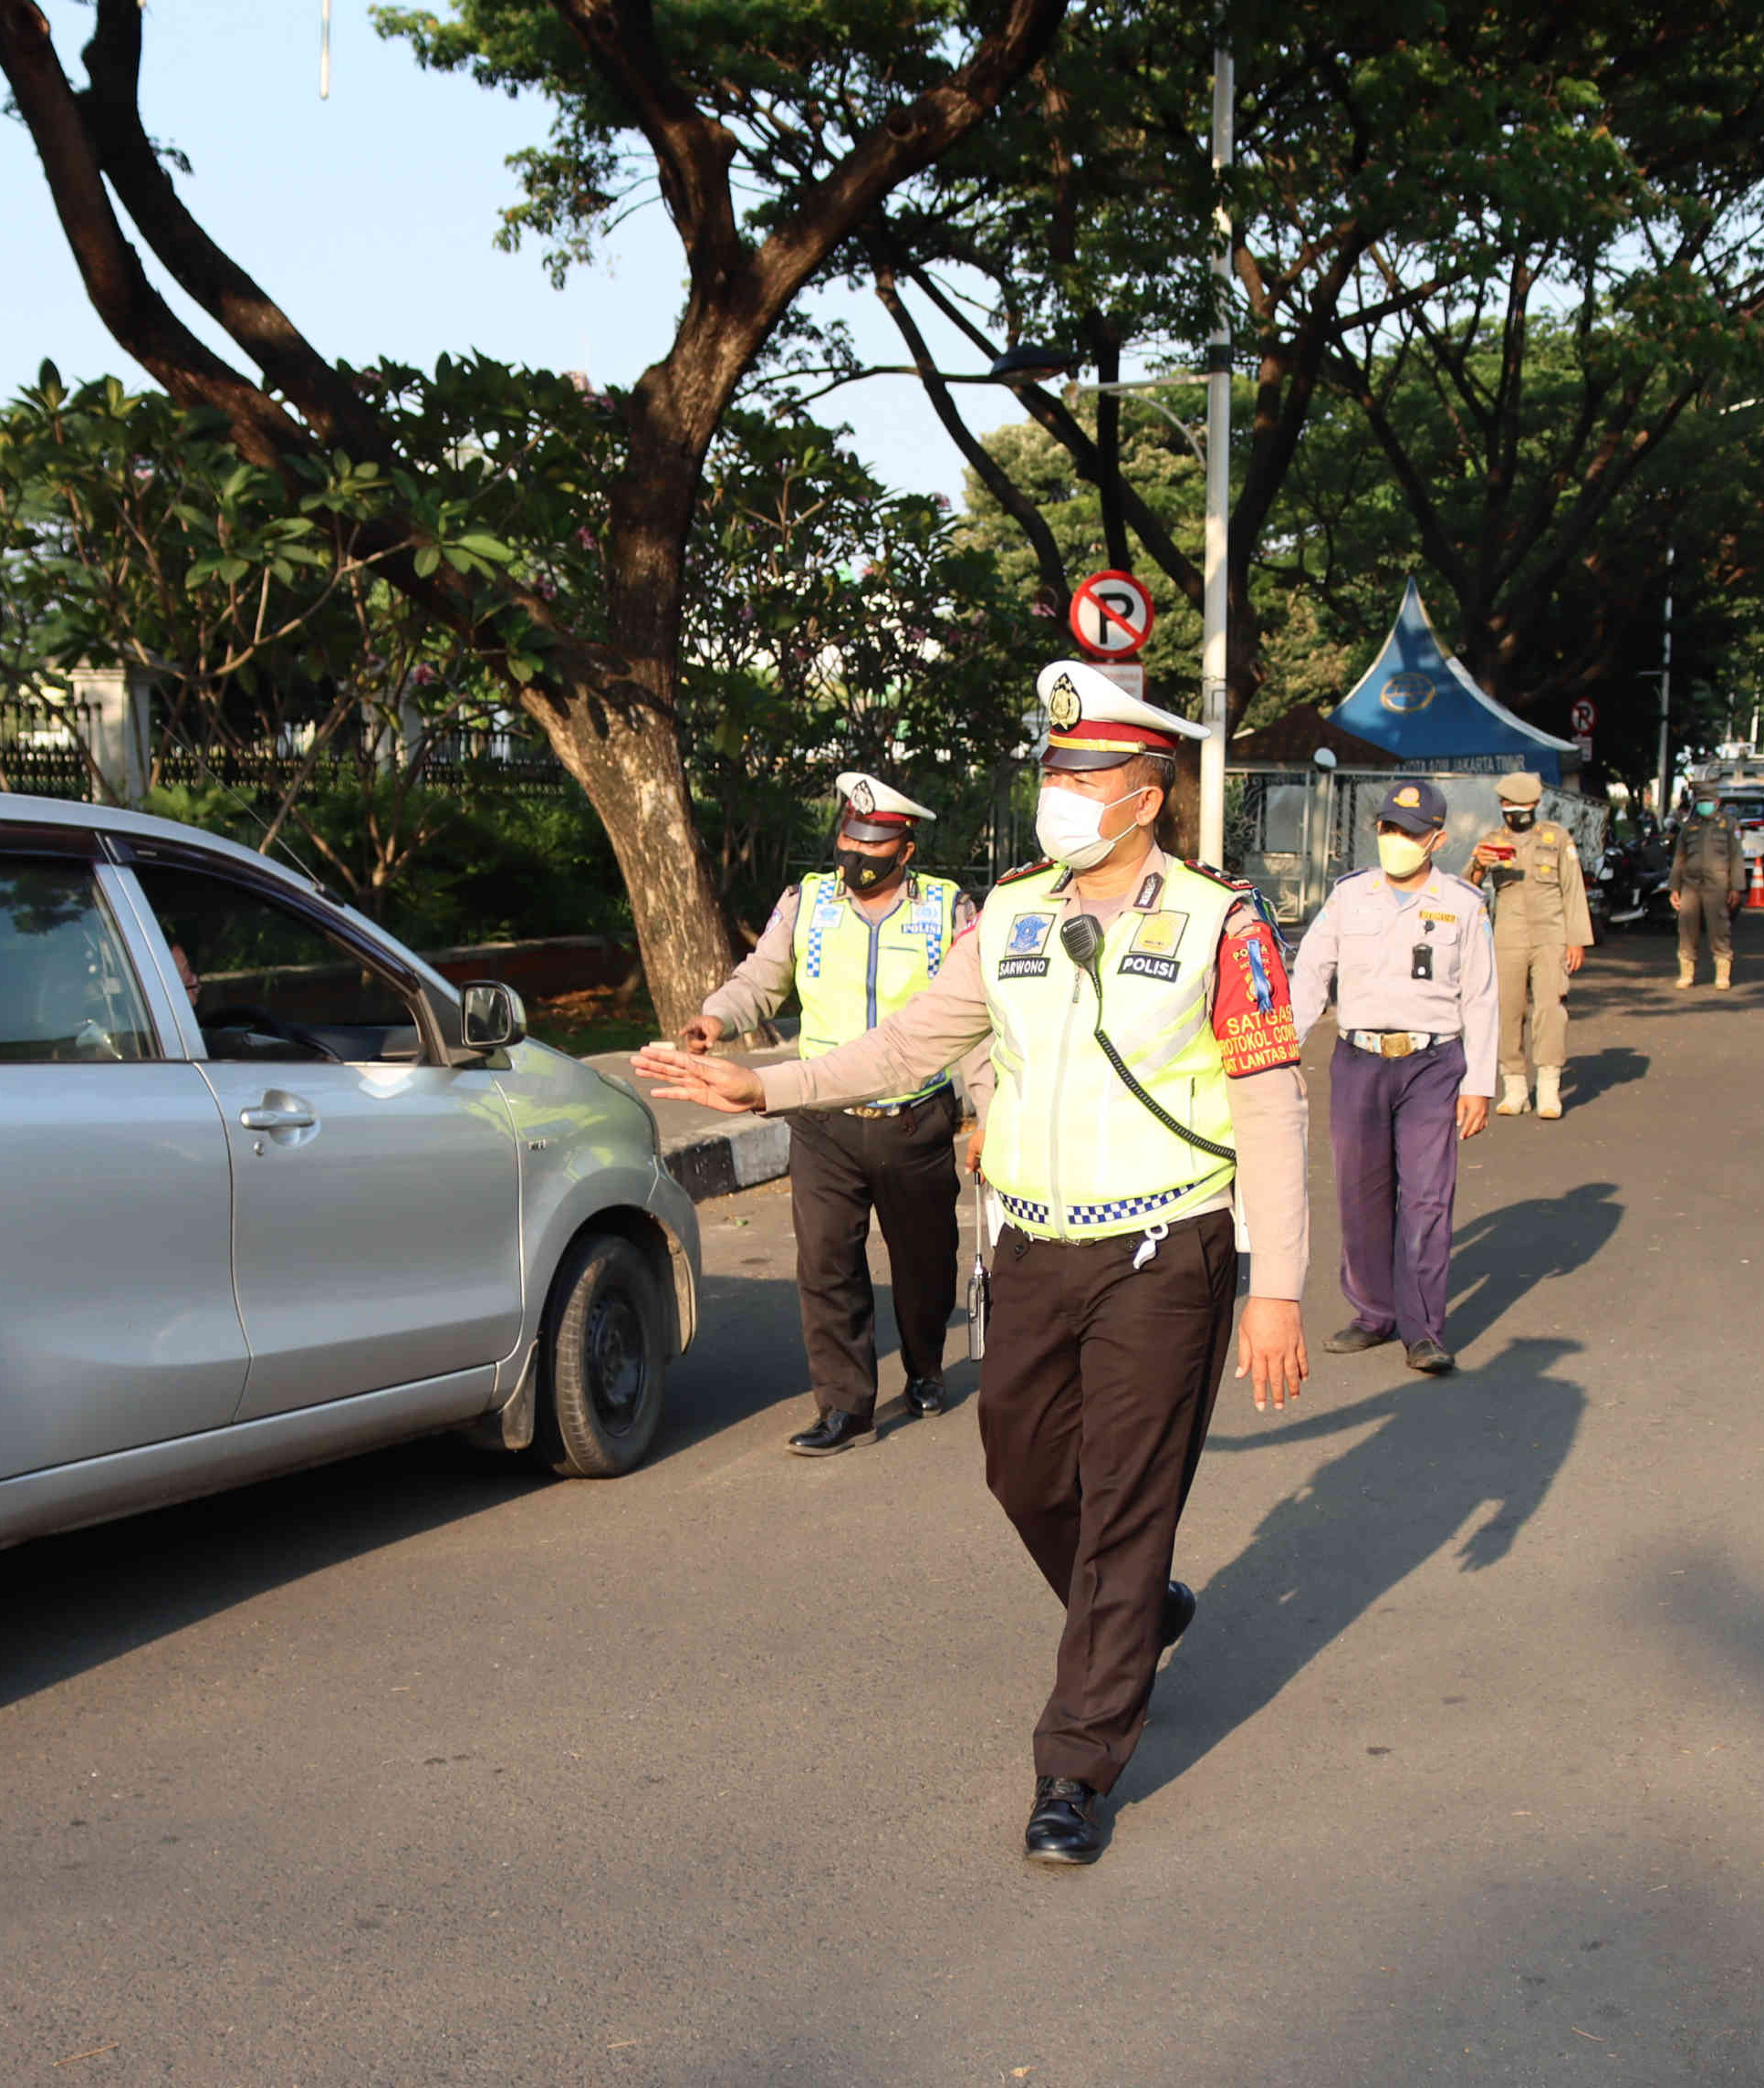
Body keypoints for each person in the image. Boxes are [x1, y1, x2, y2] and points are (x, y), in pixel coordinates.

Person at [634, 661, 1310, 1869]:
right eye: (1052, 770)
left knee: (1124, 1496)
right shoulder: (1008, 915)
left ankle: (1077, 1762)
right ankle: (1136, 1612)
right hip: (1036, 1246)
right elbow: (905, 1045)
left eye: (1085, 772)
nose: (1061, 791)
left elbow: (1269, 1104)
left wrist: (1279, 1288)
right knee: (1021, 1470)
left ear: (1147, 793)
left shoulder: (1222, 920)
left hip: (1167, 1250)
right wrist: (765, 1079)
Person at [680, 772, 980, 1455]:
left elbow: (977, 1023)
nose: (855, 855)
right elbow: (762, 978)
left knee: (925, 1263)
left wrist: (987, 1111)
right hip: (820, 1119)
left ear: (906, 849)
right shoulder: (806, 901)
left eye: (872, 844)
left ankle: (926, 1365)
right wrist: (716, 1018)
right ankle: (846, 1408)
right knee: (826, 1266)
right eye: (847, 838)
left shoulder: (948, 910)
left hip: (912, 1119)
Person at [1289, 778, 1495, 1374]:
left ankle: (1423, 1329)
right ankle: (1373, 1312)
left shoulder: (1462, 904)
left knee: (1427, 1199)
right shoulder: (1350, 897)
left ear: (1437, 839)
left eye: (1410, 832)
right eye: (1388, 828)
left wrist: (1479, 1081)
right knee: (1359, 1193)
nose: (1396, 840)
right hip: (1359, 1061)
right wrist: (1280, 1055)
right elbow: (1310, 976)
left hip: (1433, 1066)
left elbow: (1481, 996)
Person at [1467, 768, 1586, 1116]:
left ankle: (1549, 1088)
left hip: (1551, 936)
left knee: (1551, 1009)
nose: (1515, 810)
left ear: (1535, 804)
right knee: (1508, 1010)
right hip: (1508, 937)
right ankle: (1514, 1086)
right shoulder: (1491, 841)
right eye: (1508, 804)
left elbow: (1573, 890)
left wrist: (1576, 941)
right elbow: (1469, 890)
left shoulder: (1556, 838)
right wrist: (1478, 864)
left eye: (1522, 804)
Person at [1670, 781, 1743, 990]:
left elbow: (1737, 857)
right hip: (1690, 884)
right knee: (1686, 927)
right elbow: (1679, 858)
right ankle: (1686, 973)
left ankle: (1722, 972)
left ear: (1717, 802)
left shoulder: (1728, 825)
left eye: (1708, 802)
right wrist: (1674, 888)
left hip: (1718, 884)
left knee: (1719, 927)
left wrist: (1736, 887)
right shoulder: (1689, 826)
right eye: (1700, 802)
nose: (1704, 806)